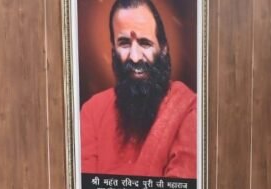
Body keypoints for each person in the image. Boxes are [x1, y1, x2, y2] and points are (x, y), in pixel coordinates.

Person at [80, 0, 196, 178]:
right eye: (124, 43)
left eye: (145, 43)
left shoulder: (188, 108)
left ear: (163, 49)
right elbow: (85, 188)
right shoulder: (92, 111)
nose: (134, 58)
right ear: (113, 51)